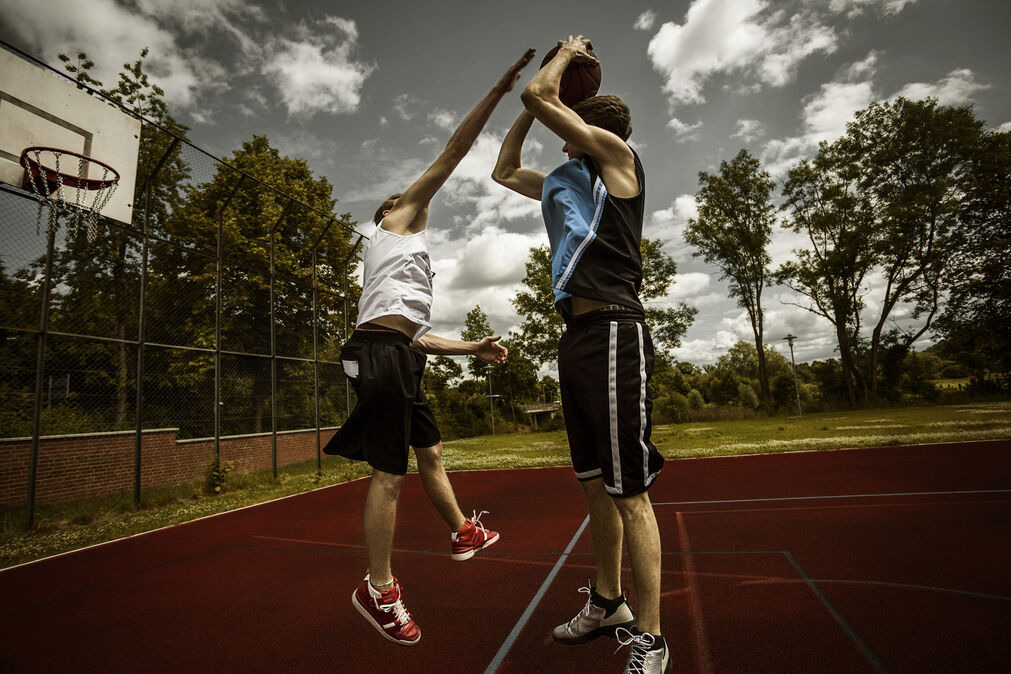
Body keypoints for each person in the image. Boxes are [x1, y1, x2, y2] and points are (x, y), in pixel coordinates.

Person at [324, 47, 536, 647]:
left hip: (402, 353)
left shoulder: (409, 265)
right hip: (377, 352)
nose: (414, 199)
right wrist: (498, 91)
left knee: (432, 454)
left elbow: (421, 335)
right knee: (388, 476)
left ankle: (463, 530)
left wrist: (474, 348)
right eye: (403, 197)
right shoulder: (396, 223)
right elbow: (454, 152)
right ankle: (379, 587)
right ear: (390, 211)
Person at [492, 36, 669, 674]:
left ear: (588, 126)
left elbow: (540, 94)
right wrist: (532, 106)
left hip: (618, 329)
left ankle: (651, 639)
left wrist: (560, 61)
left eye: (568, 117)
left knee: (629, 494)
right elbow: (504, 170)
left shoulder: (619, 160)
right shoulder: (563, 183)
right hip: (576, 337)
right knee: (596, 487)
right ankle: (608, 602)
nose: (556, 124)